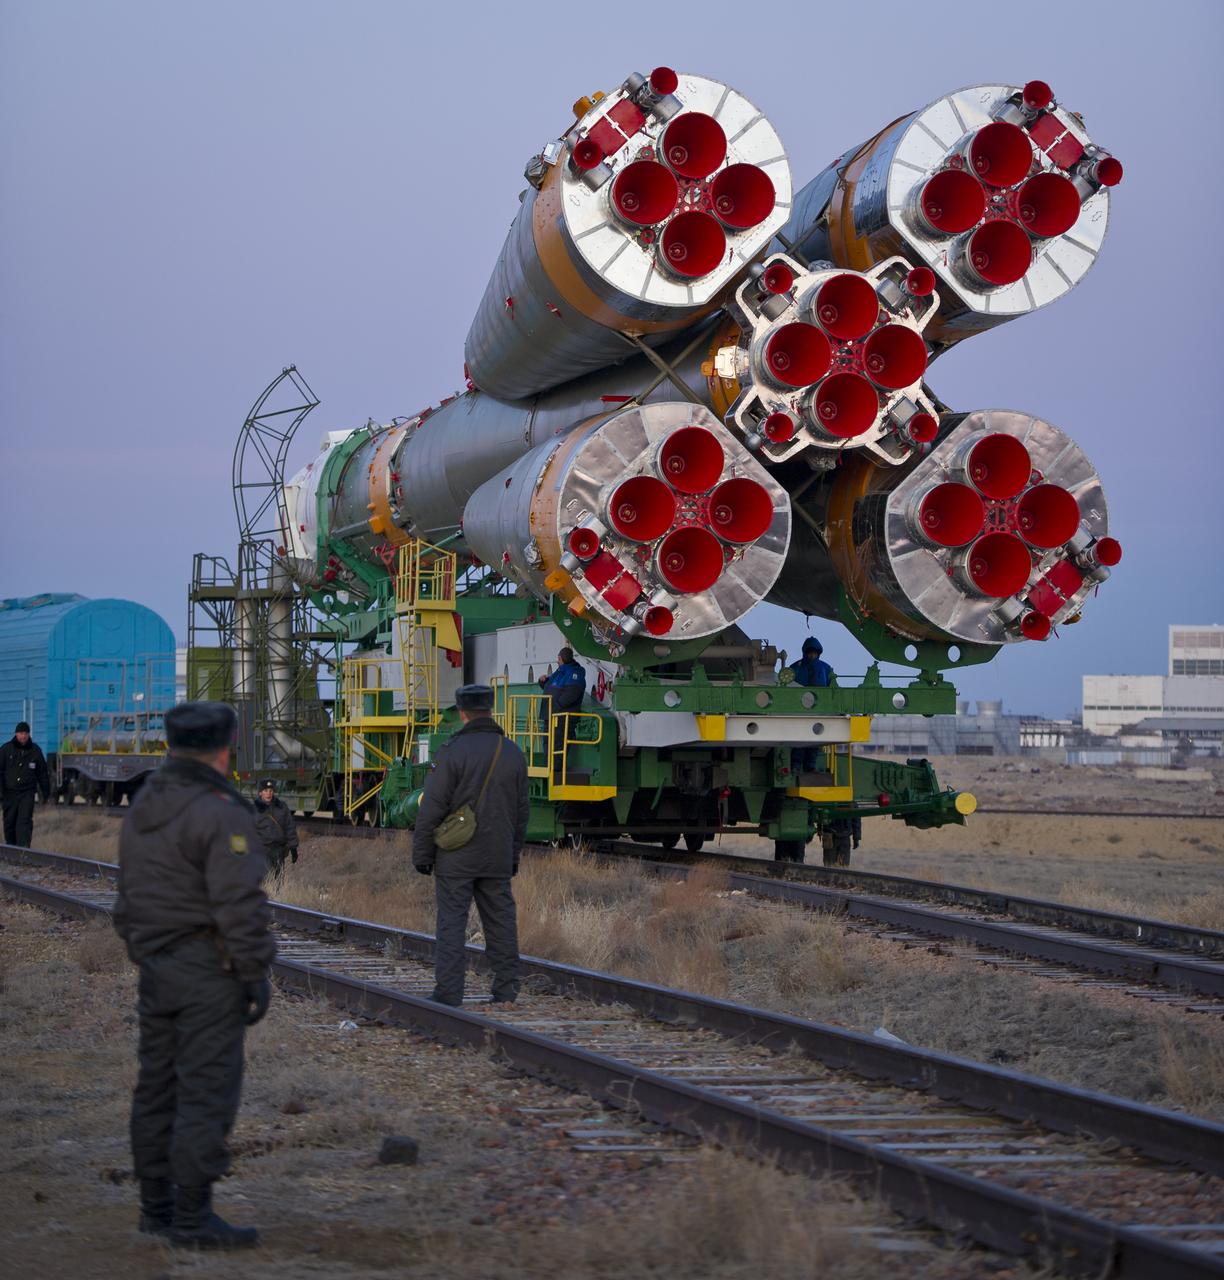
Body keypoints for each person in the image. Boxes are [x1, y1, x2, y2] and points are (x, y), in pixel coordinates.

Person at [113, 701, 274, 1250]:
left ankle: (154, 1209)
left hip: (157, 967)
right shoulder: (219, 810)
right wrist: (253, 971)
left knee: (157, 1087)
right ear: (227, 746)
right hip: (208, 970)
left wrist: (146, 951)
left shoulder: (144, 803)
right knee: (206, 1089)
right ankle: (192, 1218)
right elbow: (239, 903)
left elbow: (125, 898)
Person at [412, 683, 529, 1007]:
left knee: (452, 923)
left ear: (462, 713)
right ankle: (506, 991)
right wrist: (513, 856)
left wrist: (422, 854)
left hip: (456, 855)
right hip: (496, 855)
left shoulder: (452, 751)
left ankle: (449, 993)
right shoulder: (512, 752)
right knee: (502, 923)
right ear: (490, 710)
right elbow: (522, 813)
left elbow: (431, 807)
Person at [0, 721, 51, 848]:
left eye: (26, 733)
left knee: (24, 821)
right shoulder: (6, 750)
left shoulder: (35, 751)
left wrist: (46, 793)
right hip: (9, 793)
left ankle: (23, 850)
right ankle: (11, 848)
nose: (23, 736)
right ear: (16, 734)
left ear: (29, 734)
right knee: (9, 822)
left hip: (27, 793)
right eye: (21, 733)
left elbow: (42, 773)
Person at [789, 639, 835, 774]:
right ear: (805, 652)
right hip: (800, 710)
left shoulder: (825, 668)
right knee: (800, 738)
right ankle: (796, 765)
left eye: (814, 653)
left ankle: (810, 766)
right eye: (809, 653)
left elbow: (832, 686)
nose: (812, 655)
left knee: (815, 739)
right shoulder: (796, 667)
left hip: (819, 710)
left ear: (818, 653)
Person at [253, 779, 299, 880]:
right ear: (260, 793)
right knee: (267, 878)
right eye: (265, 791)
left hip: (279, 849)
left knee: (279, 879)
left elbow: (289, 827)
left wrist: (293, 847)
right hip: (263, 849)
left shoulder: (282, 807)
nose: (268, 793)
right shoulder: (254, 810)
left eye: (270, 790)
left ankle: (278, 895)